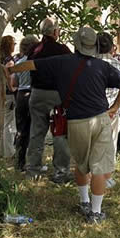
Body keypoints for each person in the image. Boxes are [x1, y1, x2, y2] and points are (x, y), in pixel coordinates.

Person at [9, 27, 120, 223]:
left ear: (76, 44)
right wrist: (115, 107)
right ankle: (96, 212)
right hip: (100, 118)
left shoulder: (61, 62)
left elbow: (30, 64)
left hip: (76, 120)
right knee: (99, 167)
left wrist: (9, 69)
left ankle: (84, 201)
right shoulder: (102, 66)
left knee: (82, 164)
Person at [26, 17, 72, 182]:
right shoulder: (63, 50)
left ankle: (32, 170)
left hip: (37, 93)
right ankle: (61, 172)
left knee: (36, 132)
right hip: (56, 95)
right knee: (59, 133)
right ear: (54, 32)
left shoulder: (34, 49)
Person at [97, 32, 120, 189]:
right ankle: (106, 177)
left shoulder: (91, 63)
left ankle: (92, 175)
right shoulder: (117, 64)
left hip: (94, 109)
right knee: (110, 144)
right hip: (111, 109)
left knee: (94, 144)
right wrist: (116, 106)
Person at [13, 35, 39, 172]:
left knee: (21, 128)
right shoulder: (37, 63)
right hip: (34, 93)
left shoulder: (19, 63)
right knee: (35, 129)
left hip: (21, 95)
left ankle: (20, 160)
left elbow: (13, 83)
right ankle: (33, 161)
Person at [0, 35, 17, 159]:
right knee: (8, 123)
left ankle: (1, 150)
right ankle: (8, 151)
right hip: (8, 94)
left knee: (2, 122)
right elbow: (10, 79)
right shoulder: (9, 61)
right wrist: (13, 89)